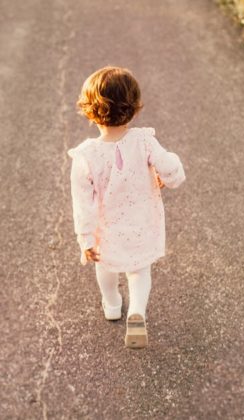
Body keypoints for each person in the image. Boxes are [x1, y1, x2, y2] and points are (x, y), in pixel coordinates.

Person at [68, 66, 185, 349]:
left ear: (89, 111)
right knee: (138, 270)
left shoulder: (85, 156)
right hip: (142, 222)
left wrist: (85, 240)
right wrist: (170, 176)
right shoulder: (144, 140)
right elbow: (169, 167)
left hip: (106, 230)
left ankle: (111, 304)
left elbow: (82, 204)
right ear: (133, 109)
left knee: (106, 267)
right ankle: (137, 312)